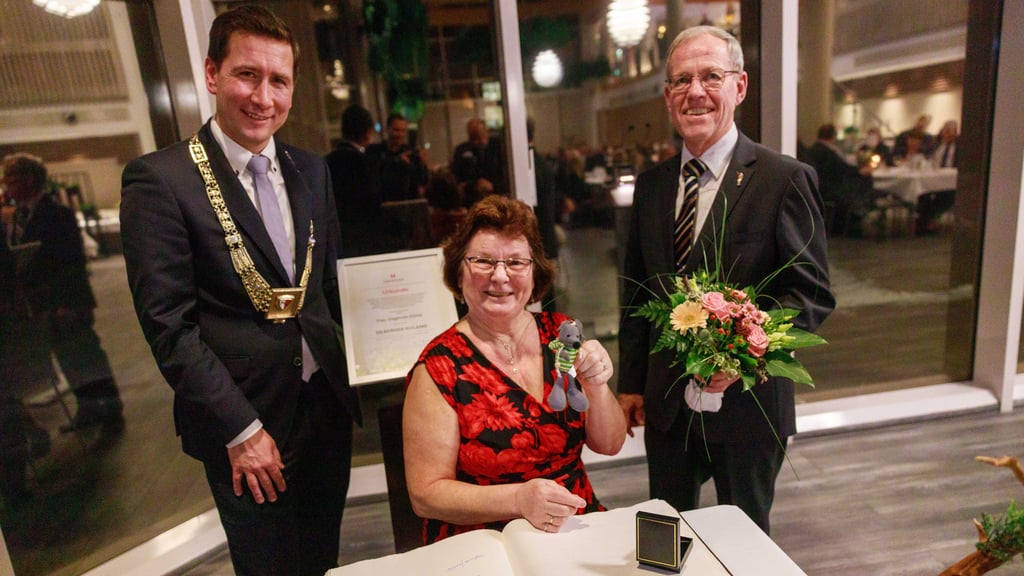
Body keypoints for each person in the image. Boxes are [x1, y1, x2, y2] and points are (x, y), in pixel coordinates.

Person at [119, 6, 361, 576]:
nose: (263, 97)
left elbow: (326, 287)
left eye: (279, 80)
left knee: (322, 559)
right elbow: (169, 328)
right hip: (244, 425)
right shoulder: (161, 180)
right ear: (211, 74)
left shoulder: (311, 171)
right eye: (247, 74)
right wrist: (242, 431)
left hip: (323, 409)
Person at [617, 25, 834, 535]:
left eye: (711, 76)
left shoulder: (784, 179)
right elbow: (636, 293)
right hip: (667, 407)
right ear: (668, 96)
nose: (696, 92)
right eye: (681, 80)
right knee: (663, 542)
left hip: (749, 408)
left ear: (739, 87)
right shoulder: (649, 188)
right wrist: (629, 384)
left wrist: (742, 356)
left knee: (744, 543)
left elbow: (810, 292)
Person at [403, 195, 626, 544]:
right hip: (485, 541)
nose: (501, 276)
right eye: (483, 261)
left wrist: (597, 385)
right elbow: (425, 494)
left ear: (535, 271)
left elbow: (610, 444)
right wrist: (519, 499)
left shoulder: (561, 331)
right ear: (458, 272)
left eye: (516, 262)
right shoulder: (438, 367)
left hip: (574, 525)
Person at [2, 153, 124, 435]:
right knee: (68, 357)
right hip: (40, 302)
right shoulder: (17, 215)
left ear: (29, 180)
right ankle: (88, 408)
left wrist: (68, 303)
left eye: (11, 179)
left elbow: (70, 263)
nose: (6, 185)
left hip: (65, 299)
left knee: (86, 353)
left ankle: (110, 407)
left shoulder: (56, 214)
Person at [325, 104, 388, 257]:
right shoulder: (366, 163)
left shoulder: (326, 162)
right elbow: (374, 203)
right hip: (365, 239)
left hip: (336, 239)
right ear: (367, 132)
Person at [804, 123, 877, 236]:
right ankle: (857, 217)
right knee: (863, 185)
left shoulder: (812, 150)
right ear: (833, 136)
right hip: (832, 189)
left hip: (820, 187)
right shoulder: (828, 152)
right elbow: (842, 168)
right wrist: (859, 171)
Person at [366, 113, 429, 202]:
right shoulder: (375, 150)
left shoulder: (410, 152)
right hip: (383, 204)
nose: (400, 134)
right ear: (387, 129)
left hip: (407, 203)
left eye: (403, 131)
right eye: (396, 130)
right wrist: (397, 162)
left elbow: (422, 181)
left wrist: (423, 164)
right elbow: (374, 175)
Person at [451, 117, 499, 206]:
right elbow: (456, 177)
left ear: (486, 132)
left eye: (479, 136)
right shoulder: (461, 150)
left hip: (498, 198)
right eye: (472, 137)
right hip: (472, 201)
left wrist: (494, 185)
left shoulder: (499, 147)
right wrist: (474, 184)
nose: (476, 142)